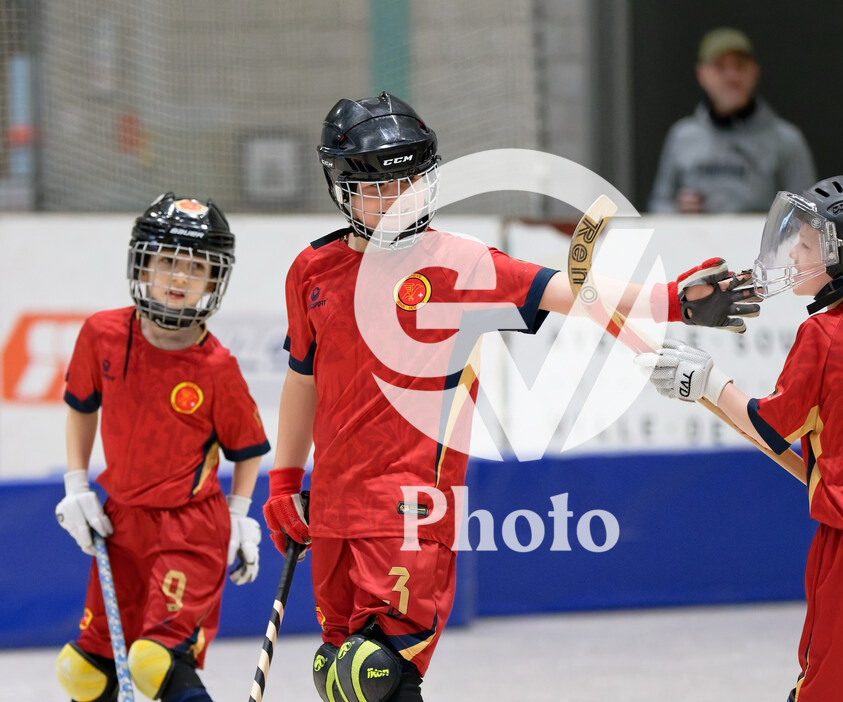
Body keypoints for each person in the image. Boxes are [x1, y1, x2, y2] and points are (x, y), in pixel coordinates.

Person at [261, 91, 761, 702]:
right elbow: (303, 379)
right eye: (376, 189)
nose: (396, 202)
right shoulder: (310, 272)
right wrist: (284, 482)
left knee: (378, 679)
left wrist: (672, 300)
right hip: (335, 511)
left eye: (409, 184)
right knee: (338, 680)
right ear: (341, 189)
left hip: (412, 512)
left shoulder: (460, 264)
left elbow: (573, 293)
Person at [637, 174, 843, 701]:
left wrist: (707, 384)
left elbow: (769, 427)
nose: (794, 251)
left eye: (807, 241)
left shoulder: (823, 336)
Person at [54, 193, 271, 702]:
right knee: (84, 671)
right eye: (167, 262)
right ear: (142, 265)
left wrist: (239, 518)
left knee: (153, 662)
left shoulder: (217, 369)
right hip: (121, 521)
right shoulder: (101, 334)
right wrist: (76, 485)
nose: (178, 278)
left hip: (189, 529)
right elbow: (82, 407)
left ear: (214, 282)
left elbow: (247, 450)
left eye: (196, 268)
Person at [647, 27, 816, 214]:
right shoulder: (682, 136)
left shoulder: (786, 139)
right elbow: (659, 205)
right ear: (701, 74)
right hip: (694, 239)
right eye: (720, 67)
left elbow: (806, 213)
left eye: (740, 66)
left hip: (758, 241)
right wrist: (677, 209)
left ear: (754, 71)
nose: (732, 76)